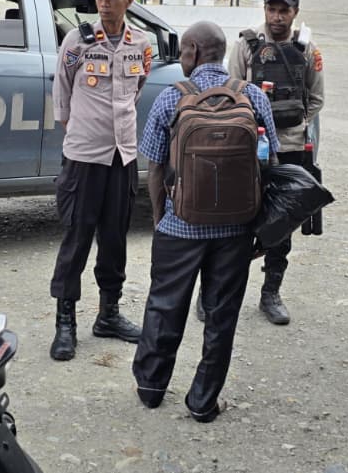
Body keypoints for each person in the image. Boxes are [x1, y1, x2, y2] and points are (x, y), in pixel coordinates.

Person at [133, 21, 279, 423]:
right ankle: (203, 400)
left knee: (164, 306)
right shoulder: (251, 96)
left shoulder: (171, 99)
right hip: (236, 229)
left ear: (194, 51)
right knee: (221, 316)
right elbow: (270, 163)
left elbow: (155, 166)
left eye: (183, 52)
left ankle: (150, 387)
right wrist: (260, 226)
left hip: (180, 227)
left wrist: (162, 216)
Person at [49, 0, 153, 361]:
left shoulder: (140, 45)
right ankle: (65, 323)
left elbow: (136, 90)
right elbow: (62, 92)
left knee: (114, 239)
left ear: (129, 0)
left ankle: (108, 314)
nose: (105, 3)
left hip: (121, 156)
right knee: (76, 240)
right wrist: (80, 131)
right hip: (84, 157)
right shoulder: (78, 41)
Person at [220, 0, 325, 325]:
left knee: (280, 226)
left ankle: (271, 293)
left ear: (295, 13)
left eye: (284, 10)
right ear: (264, 9)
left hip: (292, 149)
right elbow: (231, 91)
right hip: (250, 147)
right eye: (272, 9)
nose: (277, 17)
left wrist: (293, 124)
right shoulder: (247, 44)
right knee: (234, 223)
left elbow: (316, 98)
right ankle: (218, 294)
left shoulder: (307, 49)